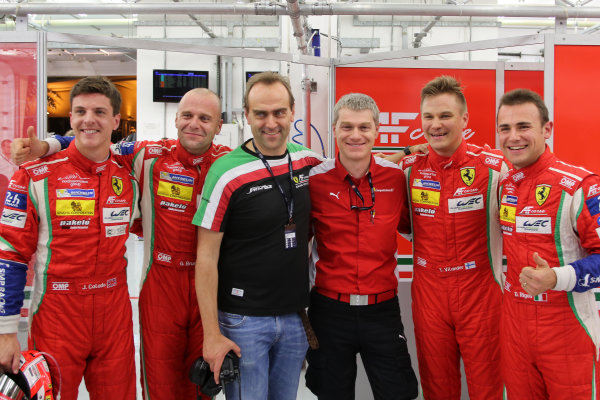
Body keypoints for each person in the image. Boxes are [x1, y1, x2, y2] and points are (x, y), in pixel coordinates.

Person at [11, 88, 229, 400]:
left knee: (204, 382)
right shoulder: (147, 155)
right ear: (176, 119)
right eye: (188, 116)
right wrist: (48, 144)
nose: (195, 124)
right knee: (160, 384)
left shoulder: (231, 162)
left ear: (218, 126)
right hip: (159, 285)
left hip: (210, 285)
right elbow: (95, 141)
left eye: (205, 118)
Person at [0, 76, 140, 400]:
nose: (88, 119)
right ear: (72, 118)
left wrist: (52, 142)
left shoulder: (129, 171)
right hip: (57, 315)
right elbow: (10, 254)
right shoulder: (35, 174)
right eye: (80, 111)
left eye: (99, 112)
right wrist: (6, 332)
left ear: (116, 120)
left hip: (115, 314)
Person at [193, 72, 322, 400]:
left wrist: (408, 153)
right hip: (243, 321)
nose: (271, 122)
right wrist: (211, 335)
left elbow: (354, 167)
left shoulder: (308, 162)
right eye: (260, 113)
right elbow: (205, 258)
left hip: (295, 319)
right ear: (246, 115)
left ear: (292, 111)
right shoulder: (226, 172)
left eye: (279, 112)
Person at [398, 76, 506, 399]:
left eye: (445, 116)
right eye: (428, 117)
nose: (436, 125)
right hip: (429, 297)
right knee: (437, 390)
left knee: (488, 390)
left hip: (482, 297)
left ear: (464, 119)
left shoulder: (495, 168)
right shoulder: (408, 170)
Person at [305, 93, 418, 400]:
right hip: (328, 311)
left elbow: (419, 229)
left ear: (377, 131)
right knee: (331, 393)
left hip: (382, 310)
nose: (355, 135)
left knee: (399, 392)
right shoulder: (314, 180)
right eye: (347, 127)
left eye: (364, 127)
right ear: (334, 129)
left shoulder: (397, 179)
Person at [497, 89, 600, 399]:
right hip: (514, 327)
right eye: (505, 128)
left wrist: (557, 277)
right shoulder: (503, 184)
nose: (513, 136)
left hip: (567, 329)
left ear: (547, 129)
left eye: (523, 126)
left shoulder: (582, 185)